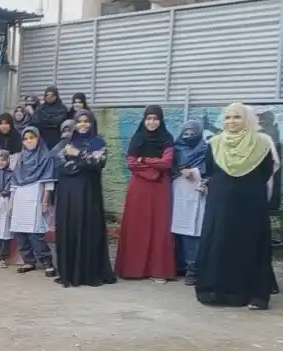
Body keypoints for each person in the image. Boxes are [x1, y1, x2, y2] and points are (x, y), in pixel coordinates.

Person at [195, 103, 278, 310]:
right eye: (228, 117)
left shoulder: (262, 142)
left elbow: (267, 170)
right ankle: (216, 292)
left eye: (237, 117)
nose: (231, 122)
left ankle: (254, 295)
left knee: (250, 243)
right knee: (219, 241)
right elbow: (211, 169)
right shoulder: (215, 143)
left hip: (250, 203)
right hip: (220, 203)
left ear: (247, 119)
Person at [54, 109, 116, 287]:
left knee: (89, 229)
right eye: (79, 121)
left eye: (86, 121)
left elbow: (99, 163)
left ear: (92, 123)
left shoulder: (99, 142)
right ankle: (69, 273)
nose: (82, 124)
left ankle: (89, 273)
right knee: (70, 229)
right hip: (68, 194)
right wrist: (84, 162)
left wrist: (78, 155)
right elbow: (61, 166)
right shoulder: (66, 142)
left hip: (89, 195)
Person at [115, 105, 175, 282]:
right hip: (140, 187)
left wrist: (145, 159)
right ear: (144, 120)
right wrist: (152, 170)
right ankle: (133, 269)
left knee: (159, 226)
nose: (151, 122)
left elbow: (167, 163)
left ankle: (158, 271)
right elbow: (131, 162)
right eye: (148, 118)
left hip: (159, 188)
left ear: (161, 120)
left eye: (155, 119)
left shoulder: (167, 138)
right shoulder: (137, 138)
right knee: (136, 226)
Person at [9, 126, 57, 277]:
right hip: (20, 196)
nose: (29, 141)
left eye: (32, 137)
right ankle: (28, 260)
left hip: (36, 194)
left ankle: (47, 262)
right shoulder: (20, 159)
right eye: (26, 138)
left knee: (36, 232)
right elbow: (14, 182)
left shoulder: (46, 157)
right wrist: (11, 203)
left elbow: (48, 183)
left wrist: (44, 201)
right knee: (20, 231)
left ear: (38, 138)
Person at [170, 120, 207, 286]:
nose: (189, 135)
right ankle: (178, 266)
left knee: (193, 231)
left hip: (198, 192)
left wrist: (195, 172)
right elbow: (169, 166)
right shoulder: (174, 149)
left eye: (193, 133)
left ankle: (193, 269)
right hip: (176, 192)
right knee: (175, 230)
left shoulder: (206, 149)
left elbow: (210, 167)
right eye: (186, 133)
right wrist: (180, 170)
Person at [31, 86, 68, 150]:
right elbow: (35, 122)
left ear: (56, 96)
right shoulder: (40, 108)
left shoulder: (62, 108)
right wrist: (51, 122)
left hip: (57, 139)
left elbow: (60, 121)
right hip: (42, 139)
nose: (49, 97)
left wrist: (45, 120)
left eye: (52, 95)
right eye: (47, 95)